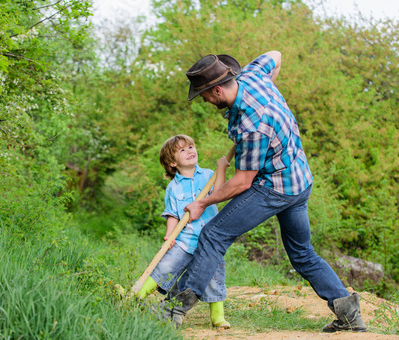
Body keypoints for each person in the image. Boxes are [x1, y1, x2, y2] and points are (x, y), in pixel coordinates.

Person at [155, 52, 367, 333]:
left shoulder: (251, 126)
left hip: (275, 188)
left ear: (217, 89)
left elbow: (242, 183)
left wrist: (202, 203)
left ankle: (175, 309)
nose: (204, 101)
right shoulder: (253, 76)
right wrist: (268, 94)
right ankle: (351, 317)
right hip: (300, 181)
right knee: (303, 253)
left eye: (204, 95)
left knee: (214, 234)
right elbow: (277, 55)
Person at [136, 134, 231, 329]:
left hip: (210, 241)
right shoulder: (173, 187)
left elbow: (219, 193)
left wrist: (221, 169)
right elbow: (173, 215)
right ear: (172, 162)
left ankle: (218, 318)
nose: (190, 151)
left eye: (191, 147)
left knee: (214, 277)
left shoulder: (208, 175)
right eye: (182, 150)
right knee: (165, 267)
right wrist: (169, 235)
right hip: (184, 239)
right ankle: (136, 295)